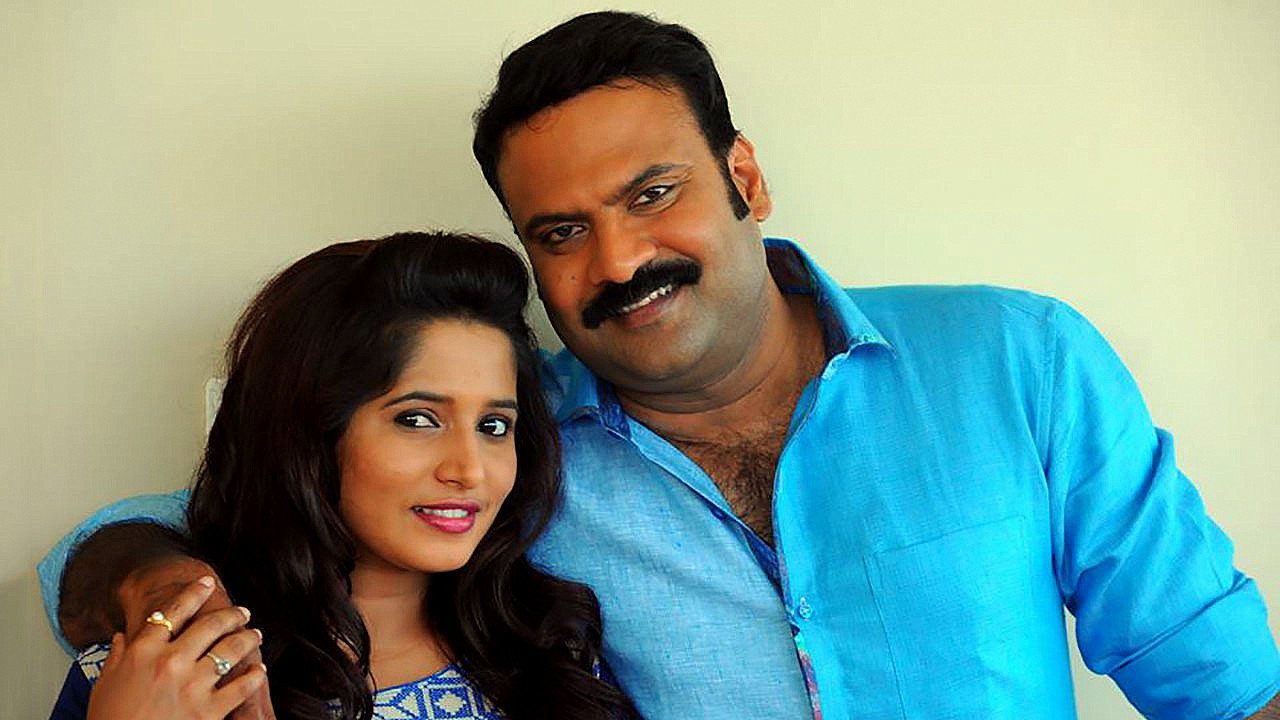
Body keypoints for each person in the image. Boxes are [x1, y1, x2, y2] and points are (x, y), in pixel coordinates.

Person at [41, 11, 1280, 720]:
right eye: (560, 232)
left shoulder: (1013, 361)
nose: (620, 260)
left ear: (743, 177)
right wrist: (156, 589)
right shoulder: (510, 441)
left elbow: (1221, 683)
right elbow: (202, 516)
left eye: (650, 194)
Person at [47, 232, 634, 720]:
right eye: (418, 419)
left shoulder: (555, 661)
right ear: (306, 432)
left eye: (494, 426)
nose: (470, 469)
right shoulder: (162, 677)